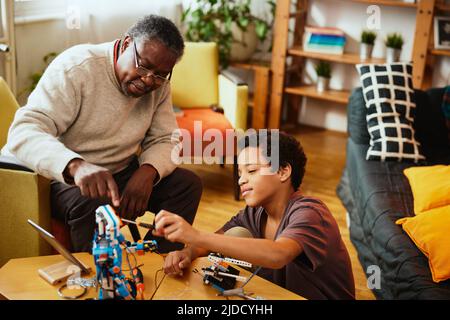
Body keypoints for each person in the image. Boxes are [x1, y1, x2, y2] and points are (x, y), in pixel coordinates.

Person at [2, 15, 202, 253]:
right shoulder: (77, 67)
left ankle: (156, 263)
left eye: (160, 74)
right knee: (95, 202)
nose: (149, 79)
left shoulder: (159, 86)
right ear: (127, 43)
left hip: (115, 172)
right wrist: (75, 165)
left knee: (187, 185)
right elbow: (24, 130)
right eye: (144, 65)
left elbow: (166, 138)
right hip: (58, 177)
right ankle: (99, 282)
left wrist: (149, 171)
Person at [153, 131, 356, 300]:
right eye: (240, 173)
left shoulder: (311, 213)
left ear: (283, 171)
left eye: (251, 170)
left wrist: (194, 234)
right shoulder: (255, 213)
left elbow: (278, 254)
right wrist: (188, 253)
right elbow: (211, 242)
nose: (241, 180)